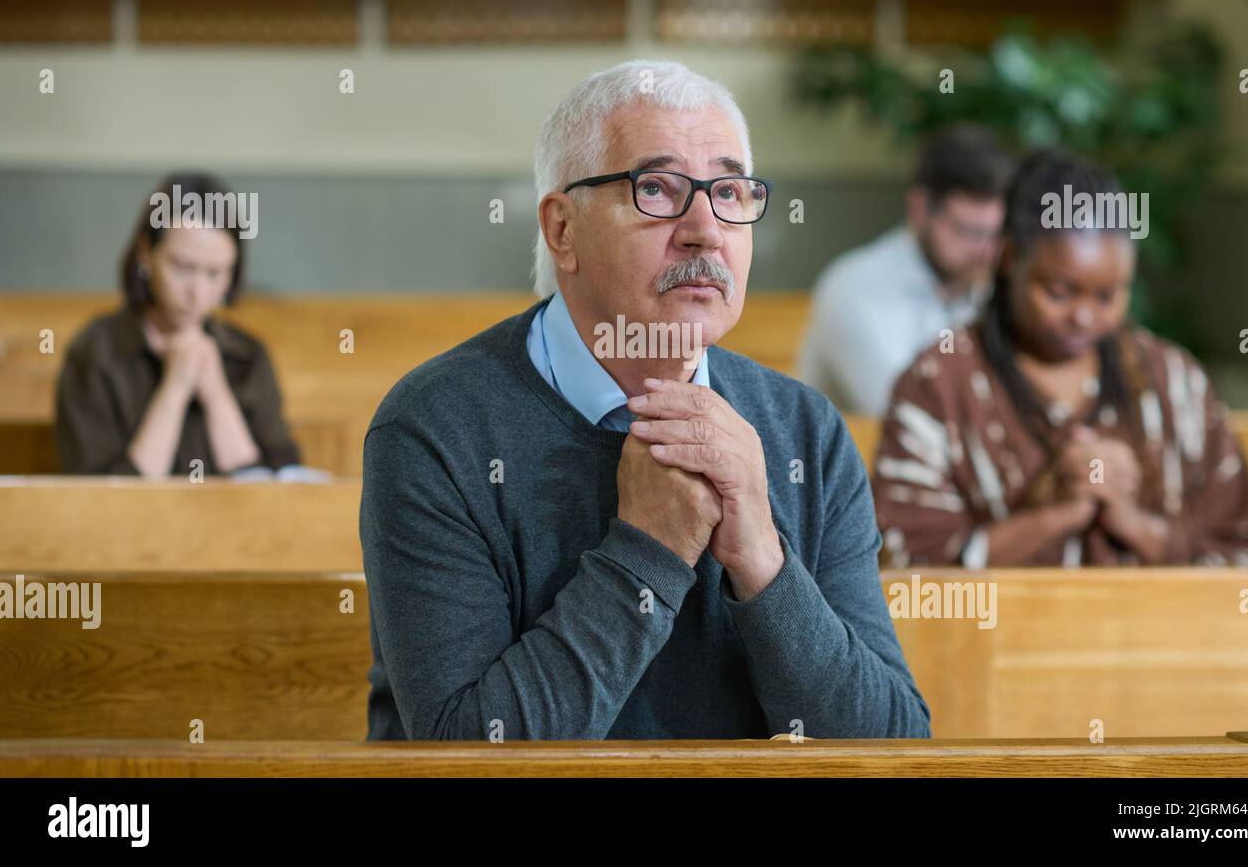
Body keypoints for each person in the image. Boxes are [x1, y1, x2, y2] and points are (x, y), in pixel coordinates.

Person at [360, 60, 931, 741]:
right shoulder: (434, 429)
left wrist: (761, 558)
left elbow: (892, 746)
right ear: (562, 230)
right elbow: (466, 752)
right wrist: (650, 549)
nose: (705, 229)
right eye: (656, 189)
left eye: (729, 191)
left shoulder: (804, 430)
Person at [873, 148, 1248, 568]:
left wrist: (1129, 521)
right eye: (1059, 292)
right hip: (1000, 634)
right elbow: (904, 575)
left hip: (1159, 634)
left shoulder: (1171, 380)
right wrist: (1055, 515)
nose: (1083, 317)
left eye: (1107, 295)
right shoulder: (939, 381)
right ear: (1010, 258)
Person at [55, 172, 300, 477]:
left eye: (215, 274)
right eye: (183, 268)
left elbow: (276, 488)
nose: (198, 293)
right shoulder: (95, 353)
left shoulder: (247, 355)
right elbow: (100, 499)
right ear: (146, 252)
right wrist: (174, 388)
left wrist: (216, 394)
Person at [799, 124, 1015, 416]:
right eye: (969, 232)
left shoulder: (985, 286)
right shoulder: (853, 288)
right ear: (919, 208)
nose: (986, 251)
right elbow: (904, 415)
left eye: (995, 234)